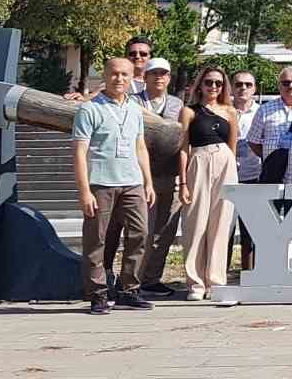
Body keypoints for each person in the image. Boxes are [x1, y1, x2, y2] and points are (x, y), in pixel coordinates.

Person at [72, 57, 156, 314]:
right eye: (114, 74)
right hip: (101, 182)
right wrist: (85, 191)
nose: (119, 79)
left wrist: (148, 182)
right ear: (105, 76)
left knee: (140, 234)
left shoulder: (134, 108)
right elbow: (79, 151)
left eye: (125, 75)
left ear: (132, 78)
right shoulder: (90, 109)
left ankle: (128, 289)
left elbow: (140, 146)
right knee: (96, 240)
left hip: (132, 183)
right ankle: (97, 294)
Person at [176, 65, 239, 301]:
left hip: (224, 162)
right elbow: (182, 148)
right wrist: (182, 182)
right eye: (209, 82)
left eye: (218, 83)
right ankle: (195, 282)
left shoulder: (230, 112)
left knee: (222, 223)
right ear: (200, 85)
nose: (213, 87)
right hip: (198, 161)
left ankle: (216, 280)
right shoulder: (189, 111)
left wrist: (231, 170)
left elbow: (233, 145)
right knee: (195, 222)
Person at [131, 57, 186, 297]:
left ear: (169, 78)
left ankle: (152, 279)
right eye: (154, 73)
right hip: (142, 176)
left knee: (165, 232)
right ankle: (133, 280)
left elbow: (176, 133)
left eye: (164, 73)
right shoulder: (133, 101)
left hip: (170, 175)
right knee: (141, 231)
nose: (159, 77)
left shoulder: (177, 103)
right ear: (145, 77)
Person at [229, 69, 261, 271]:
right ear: (232, 87)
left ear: (254, 89)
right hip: (227, 178)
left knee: (251, 231)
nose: (243, 88)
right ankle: (219, 276)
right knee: (224, 231)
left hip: (254, 176)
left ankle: (249, 275)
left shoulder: (261, 112)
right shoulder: (223, 110)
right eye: (239, 84)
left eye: (248, 85)